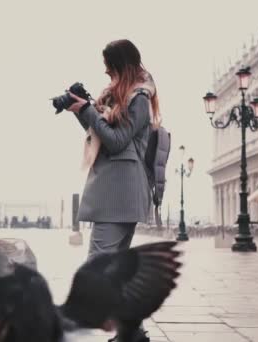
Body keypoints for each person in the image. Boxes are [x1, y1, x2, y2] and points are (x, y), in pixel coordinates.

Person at [64, 39, 158, 342]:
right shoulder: (123, 98)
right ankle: (133, 334)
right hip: (116, 189)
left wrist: (90, 111)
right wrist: (83, 111)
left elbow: (117, 141)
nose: (107, 75)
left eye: (110, 70)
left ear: (122, 67)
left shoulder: (139, 99)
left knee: (96, 267)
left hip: (121, 190)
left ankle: (125, 332)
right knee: (112, 270)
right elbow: (105, 137)